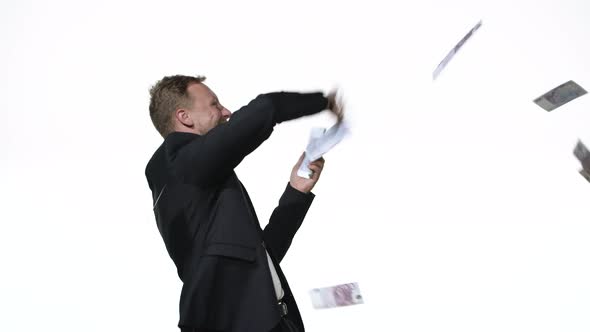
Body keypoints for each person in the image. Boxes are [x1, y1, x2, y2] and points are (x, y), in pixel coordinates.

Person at [145, 75, 344, 332]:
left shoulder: (195, 183)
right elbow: (266, 108)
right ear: (185, 117)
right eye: (214, 105)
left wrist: (296, 192)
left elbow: (258, 257)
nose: (226, 111)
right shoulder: (186, 165)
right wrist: (325, 101)